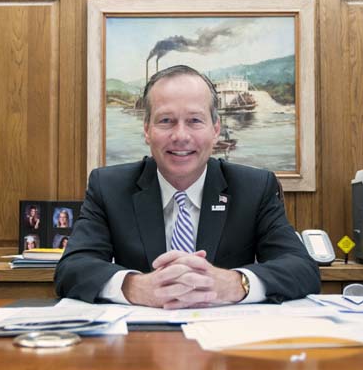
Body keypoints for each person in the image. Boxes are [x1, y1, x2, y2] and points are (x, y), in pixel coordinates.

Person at [55, 65, 320, 308]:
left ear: (215, 129)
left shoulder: (254, 187)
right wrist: (135, 286)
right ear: (147, 129)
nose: (180, 136)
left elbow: (301, 268)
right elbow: (72, 269)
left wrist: (236, 283)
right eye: (166, 121)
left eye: (195, 120)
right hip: (139, 344)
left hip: (227, 345)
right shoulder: (109, 187)